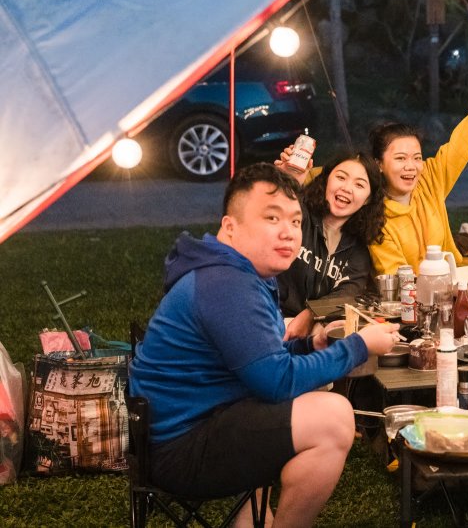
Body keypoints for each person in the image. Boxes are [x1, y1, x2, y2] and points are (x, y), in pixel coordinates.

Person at [129, 163, 400, 527]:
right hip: (179, 447)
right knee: (334, 417)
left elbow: (254, 359)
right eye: (271, 218)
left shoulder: (236, 273)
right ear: (230, 227)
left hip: (197, 420)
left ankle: (256, 519)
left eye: (294, 221)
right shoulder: (226, 285)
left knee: (294, 405)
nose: (288, 232)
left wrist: (310, 345)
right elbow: (275, 381)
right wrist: (359, 345)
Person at [369, 70, 468, 274]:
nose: (411, 166)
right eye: (400, 158)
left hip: (459, 283)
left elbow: (461, 144)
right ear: (379, 164)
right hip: (415, 299)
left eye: (417, 157)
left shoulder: (428, 180)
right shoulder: (377, 218)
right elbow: (395, 277)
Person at [274, 151, 386, 340]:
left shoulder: (358, 249)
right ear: (326, 180)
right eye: (341, 177)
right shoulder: (298, 214)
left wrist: (309, 315)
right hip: (269, 320)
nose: (347, 188)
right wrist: (284, 183)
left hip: (310, 334)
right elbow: (267, 215)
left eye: (359, 184)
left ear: (368, 199)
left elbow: (348, 292)